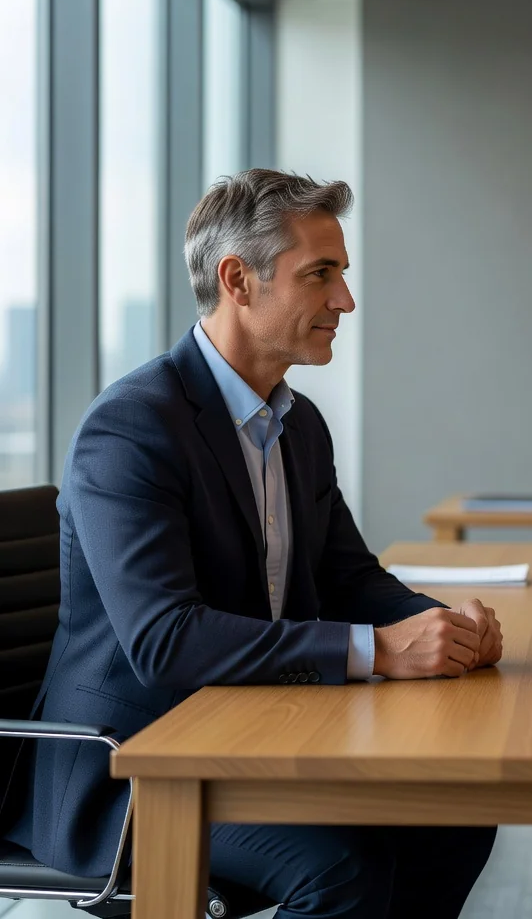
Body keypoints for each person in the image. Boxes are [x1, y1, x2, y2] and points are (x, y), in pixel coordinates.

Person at [8, 169, 501, 919]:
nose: (345, 301)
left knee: (452, 818)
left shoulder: (297, 425)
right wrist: (379, 651)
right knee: (341, 869)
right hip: (132, 764)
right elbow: (165, 641)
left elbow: (349, 577)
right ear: (239, 280)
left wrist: (443, 627)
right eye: (321, 275)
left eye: (342, 274)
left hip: (251, 734)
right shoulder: (132, 428)